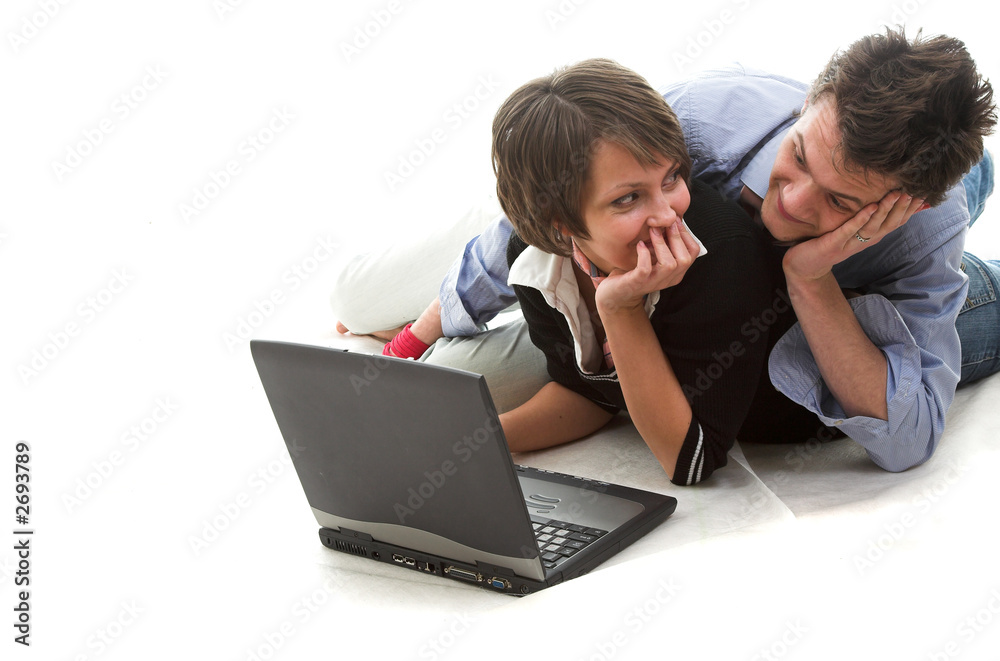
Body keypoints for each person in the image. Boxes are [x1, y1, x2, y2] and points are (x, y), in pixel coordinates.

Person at [332, 28, 997, 474]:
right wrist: (420, 332)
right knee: (375, 310)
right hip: (609, 259)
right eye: (798, 157)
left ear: (895, 206)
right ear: (808, 103)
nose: (793, 204)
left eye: (841, 203)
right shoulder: (709, 113)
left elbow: (908, 439)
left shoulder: (921, 230)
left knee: (971, 204)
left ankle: (976, 177)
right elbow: (530, 218)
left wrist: (811, 278)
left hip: (847, 314)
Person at [489, 58, 778, 485]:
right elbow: (589, 394)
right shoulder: (536, 257)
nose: (667, 215)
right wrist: (474, 444)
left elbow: (692, 459)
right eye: (628, 199)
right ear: (560, 222)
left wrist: (620, 308)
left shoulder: (722, 253)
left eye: (671, 178)